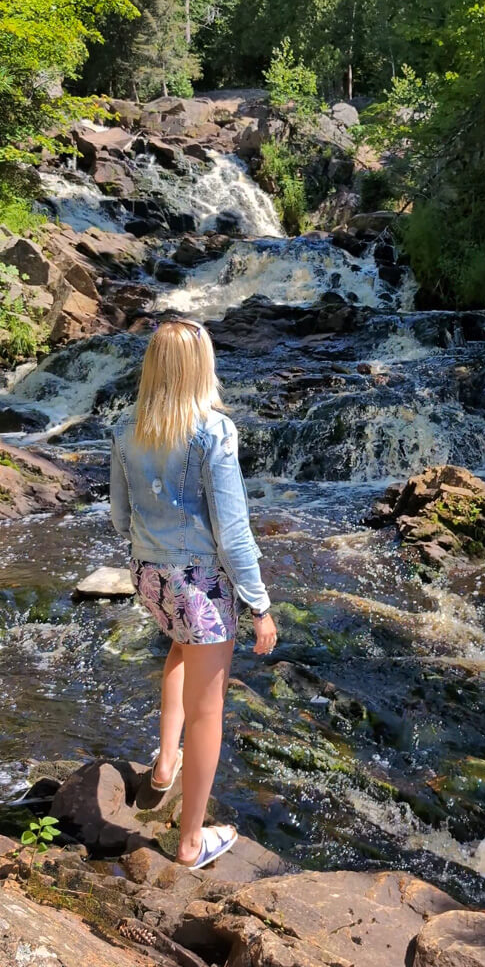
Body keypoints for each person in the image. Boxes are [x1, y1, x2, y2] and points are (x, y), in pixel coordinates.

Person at [109, 319, 277, 869]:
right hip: (201, 585)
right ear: (201, 368)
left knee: (178, 652)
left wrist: (151, 553)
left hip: (148, 575)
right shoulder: (214, 432)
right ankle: (189, 842)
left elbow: (118, 516)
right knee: (210, 712)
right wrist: (259, 603)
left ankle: (163, 766)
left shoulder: (124, 429)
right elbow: (233, 532)